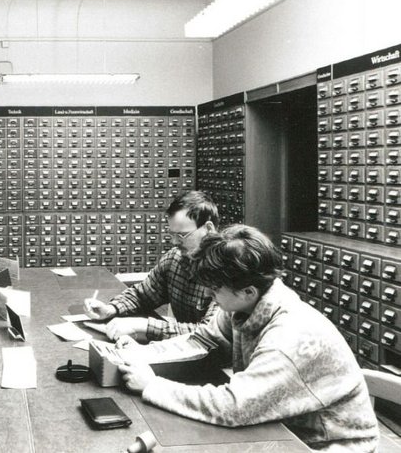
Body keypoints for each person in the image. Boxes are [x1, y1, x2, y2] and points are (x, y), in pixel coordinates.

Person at [117, 225, 378, 452]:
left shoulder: (288, 337)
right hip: (278, 426)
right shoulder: (246, 305)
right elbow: (201, 340)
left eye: (215, 288)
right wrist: (138, 355)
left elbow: (235, 406)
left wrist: (153, 386)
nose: (208, 293)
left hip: (321, 445)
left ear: (248, 291)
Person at [84, 190, 219, 341]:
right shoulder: (175, 258)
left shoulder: (227, 270)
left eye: (181, 235)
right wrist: (111, 309)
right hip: (185, 350)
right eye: (172, 234)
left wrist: (145, 326)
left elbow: (210, 333)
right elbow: (142, 295)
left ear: (208, 229)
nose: (174, 242)